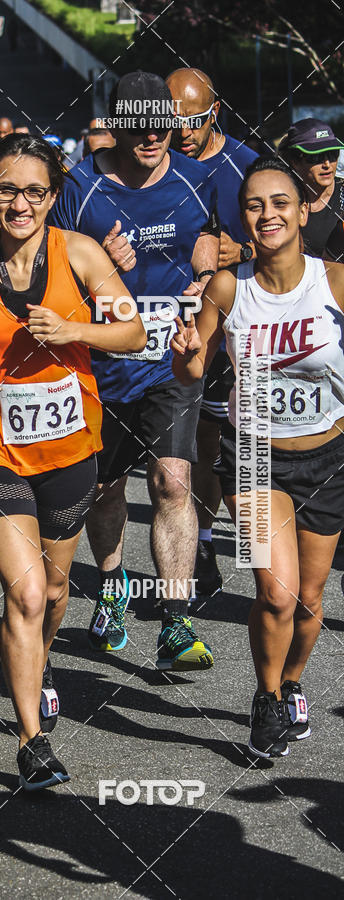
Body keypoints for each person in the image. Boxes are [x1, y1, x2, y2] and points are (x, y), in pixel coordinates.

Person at [0, 134, 146, 788]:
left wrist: (77, 330)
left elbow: (134, 331)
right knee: (25, 592)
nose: (19, 203)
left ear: (53, 196)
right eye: (6, 190)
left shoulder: (78, 254)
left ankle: (40, 658)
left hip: (67, 452)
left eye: (33, 191)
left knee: (54, 593)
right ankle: (33, 743)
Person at [171, 156, 344, 757]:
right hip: (252, 456)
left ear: (302, 211)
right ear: (242, 219)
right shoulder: (228, 287)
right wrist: (187, 349)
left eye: (279, 203)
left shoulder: (337, 280)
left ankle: (294, 681)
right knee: (276, 593)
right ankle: (266, 699)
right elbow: (192, 370)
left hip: (329, 456)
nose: (267, 214)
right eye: (254, 205)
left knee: (312, 601)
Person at [49, 71, 218, 669]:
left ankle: (176, 621)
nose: (151, 136)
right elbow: (44, 268)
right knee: (103, 488)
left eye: (162, 123)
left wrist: (214, 265)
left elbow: (249, 246)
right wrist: (92, 266)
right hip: (97, 365)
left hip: (167, 363)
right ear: (115, 125)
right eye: (137, 124)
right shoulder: (80, 185)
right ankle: (114, 586)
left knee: (173, 482)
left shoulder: (200, 181)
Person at [167, 67, 258, 597]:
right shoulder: (156, 165)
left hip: (240, 330)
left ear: (215, 110)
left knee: (246, 446)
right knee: (197, 445)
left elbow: (289, 244)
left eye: (195, 120)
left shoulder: (245, 166)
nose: (184, 131)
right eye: (174, 120)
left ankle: (264, 559)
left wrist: (242, 251)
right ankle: (201, 547)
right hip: (180, 332)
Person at [278, 118, 344, 257]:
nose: (327, 164)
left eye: (332, 154)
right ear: (295, 161)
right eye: (316, 157)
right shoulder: (279, 202)